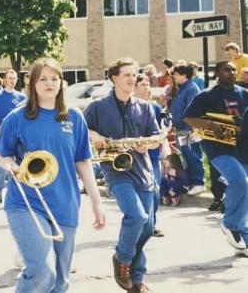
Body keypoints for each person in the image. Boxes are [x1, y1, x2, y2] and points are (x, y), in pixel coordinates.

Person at [0, 58, 105, 293]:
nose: (49, 83)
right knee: (41, 272)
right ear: (32, 83)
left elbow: (83, 161)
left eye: (54, 78)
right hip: (26, 202)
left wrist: (96, 202)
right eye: (43, 79)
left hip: (65, 202)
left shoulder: (74, 117)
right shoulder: (16, 118)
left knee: (60, 282)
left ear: (61, 83)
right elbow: (2, 155)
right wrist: (14, 168)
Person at [84, 57, 160, 293]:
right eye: (126, 74)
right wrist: (94, 135)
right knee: (136, 216)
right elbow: (80, 130)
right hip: (116, 171)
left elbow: (155, 136)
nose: (132, 78)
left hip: (143, 170)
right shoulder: (97, 107)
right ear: (114, 78)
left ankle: (135, 282)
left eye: (134, 74)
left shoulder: (146, 107)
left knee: (147, 226)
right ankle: (123, 260)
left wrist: (147, 144)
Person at [184, 60, 248, 257]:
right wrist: (212, 126)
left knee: (244, 187)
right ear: (217, 73)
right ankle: (230, 224)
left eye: (233, 69)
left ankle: (242, 232)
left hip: (242, 147)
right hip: (217, 148)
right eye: (227, 69)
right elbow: (189, 117)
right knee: (240, 181)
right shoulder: (206, 95)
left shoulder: (243, 93)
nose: (232, 72)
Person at [0, 69, 26, 203]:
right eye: (10, 78)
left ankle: (18, 192)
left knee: (20, 161)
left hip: (19, 133)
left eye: (14, 78)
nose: (12, 81)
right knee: (3, 162)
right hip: (3, 132)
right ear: (5, 79)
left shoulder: (22, 97)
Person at [134, 74, 164, 237]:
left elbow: (160, 132)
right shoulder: (129, 107)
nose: (147, 88)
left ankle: (151, 224)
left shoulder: (155, 108)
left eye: (148, 84)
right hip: (136, 157)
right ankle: (143, 224)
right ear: (135, 87)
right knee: (142, 191)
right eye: (143, 85)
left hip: (153, 155)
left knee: (155, 190)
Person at [168, 64, 205, 196]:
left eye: (176, 74)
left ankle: (199, 183)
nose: (174, 76)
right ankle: (190, 181)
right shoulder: (182, 88)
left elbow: (192, 109)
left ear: (184, 75)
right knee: (186, 155)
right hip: (181, 128)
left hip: (188, 128)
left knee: (193, 154)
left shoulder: (191, 88)